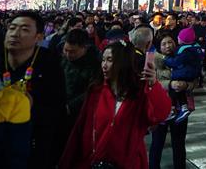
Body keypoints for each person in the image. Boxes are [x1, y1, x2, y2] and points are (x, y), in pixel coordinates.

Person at [60, 40, 171, 168]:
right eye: (103, 60)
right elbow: (81, 129)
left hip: (128, 163)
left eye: (109, 60)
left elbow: (160, 114)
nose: (104, 65)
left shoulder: (139, 93)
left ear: (122, 62)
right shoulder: (96, 91)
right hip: (94, 163)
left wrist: (153, 85)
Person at [0, 10, 67, 168]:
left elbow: (57, 110)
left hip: (32, 147)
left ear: (39, 37)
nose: (15, 34)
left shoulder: (49, 65)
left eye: (25, 29)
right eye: (12, 28)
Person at [149, 34, 190, 169]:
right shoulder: (153, 60)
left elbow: (194, 77)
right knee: (157, 142)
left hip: (180, 108)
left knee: (179, 143)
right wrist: (170, 84)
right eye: (164, 44)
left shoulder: (183, 57)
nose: (168, 46)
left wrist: (187, 85)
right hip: (161, 107)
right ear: (159, 47)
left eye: (170, 42)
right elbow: (150, 83)